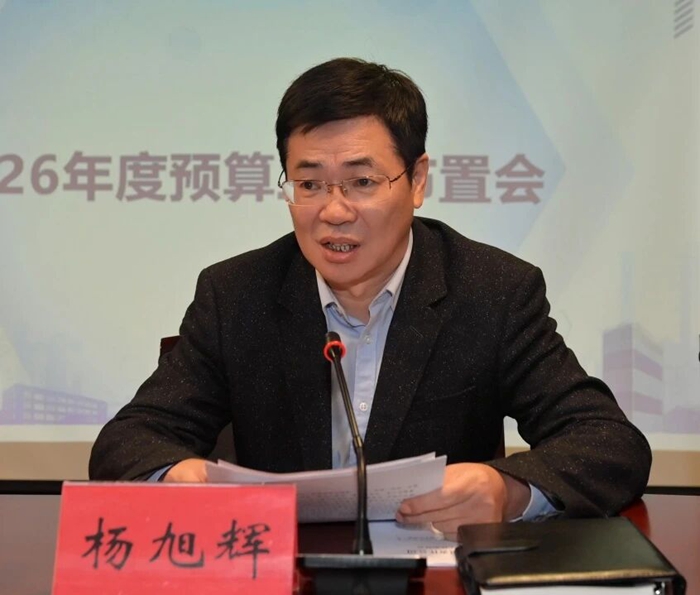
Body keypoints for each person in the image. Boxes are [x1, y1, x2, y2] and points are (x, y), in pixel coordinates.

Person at [89, 57, 651, 539]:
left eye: (362, 182)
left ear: (417, 180)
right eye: (309, 184)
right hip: (285, 573)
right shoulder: (236, 295)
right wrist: (181, 478)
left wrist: (507, 491)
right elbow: (127, 441)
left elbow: (609, 443)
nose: (334, 211)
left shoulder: (492, 291)